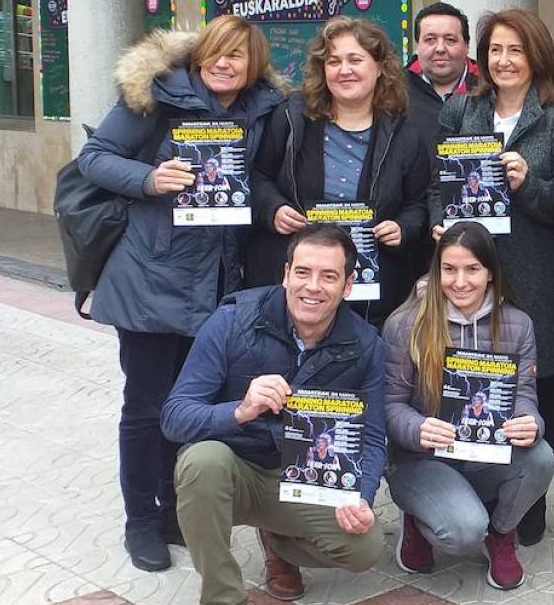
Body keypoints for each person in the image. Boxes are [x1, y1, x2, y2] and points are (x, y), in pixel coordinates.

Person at [76, 15, 285, 571]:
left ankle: (175, 510)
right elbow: (93, 159)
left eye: (237, 55)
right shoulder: (156, 96)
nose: (224, 62)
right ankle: (141, 520)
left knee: (189, 405)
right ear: (198, 56)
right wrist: (151, 179)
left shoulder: (264, 110)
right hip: (151, 278)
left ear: (254, 64)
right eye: (216, 51)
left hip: (218, 285)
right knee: (145, 407)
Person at [162, 225, 387, 605]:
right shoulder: (232, 321)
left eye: (328, 276)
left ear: (348, 285)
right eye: (302, 272)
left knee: (366, 547)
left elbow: (372, 438)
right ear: (286, 274)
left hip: (307, 479)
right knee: (203, 461)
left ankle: (281, 541)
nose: (312, 287)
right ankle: (222, 595)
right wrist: (241, 410)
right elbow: (175, 416)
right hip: (234, 472)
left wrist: (362, 497)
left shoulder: (366, 344)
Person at [430, 9, 554, 544]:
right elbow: (436, 183)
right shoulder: (460, 110)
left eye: (516, 49)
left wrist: (530, 183)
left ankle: (530, 503)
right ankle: (478, 494)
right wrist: (436, 223)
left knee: (538, 390)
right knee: (471, 379)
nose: (504, 60)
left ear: (536, 55)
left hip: (539, 278)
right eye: (495, 49)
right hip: (472, 278)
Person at [383, 221, 554, 590]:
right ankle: (417, 515)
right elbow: (390, 405)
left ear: (490, 272)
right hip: (421, 458)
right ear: (437, 269)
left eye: (472, 269)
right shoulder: (404, 323)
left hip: (484, 454)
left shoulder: (518, 323)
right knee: (462, 532)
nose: (460, 281)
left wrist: (529, 421)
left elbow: (524, 393)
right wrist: (418, 429)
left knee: (541, 457)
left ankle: (500, 533)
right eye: (449, 269)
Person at [248, 16, 429, 326]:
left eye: (355, 60)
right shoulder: (292, 118)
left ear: (380, 66)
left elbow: (419, 202)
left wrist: (403, 228)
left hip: (369, 293)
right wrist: (272, 209)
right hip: (298, 286)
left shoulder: (404, 133)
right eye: (333, 61)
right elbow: (257, 176)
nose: (344, 70)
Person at [406, 1, 479, 152]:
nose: (440, 48)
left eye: (450, 40)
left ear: (467, 46)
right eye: (430, 40)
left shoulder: (490, 88)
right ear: (417, 46)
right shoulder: (394, 91)